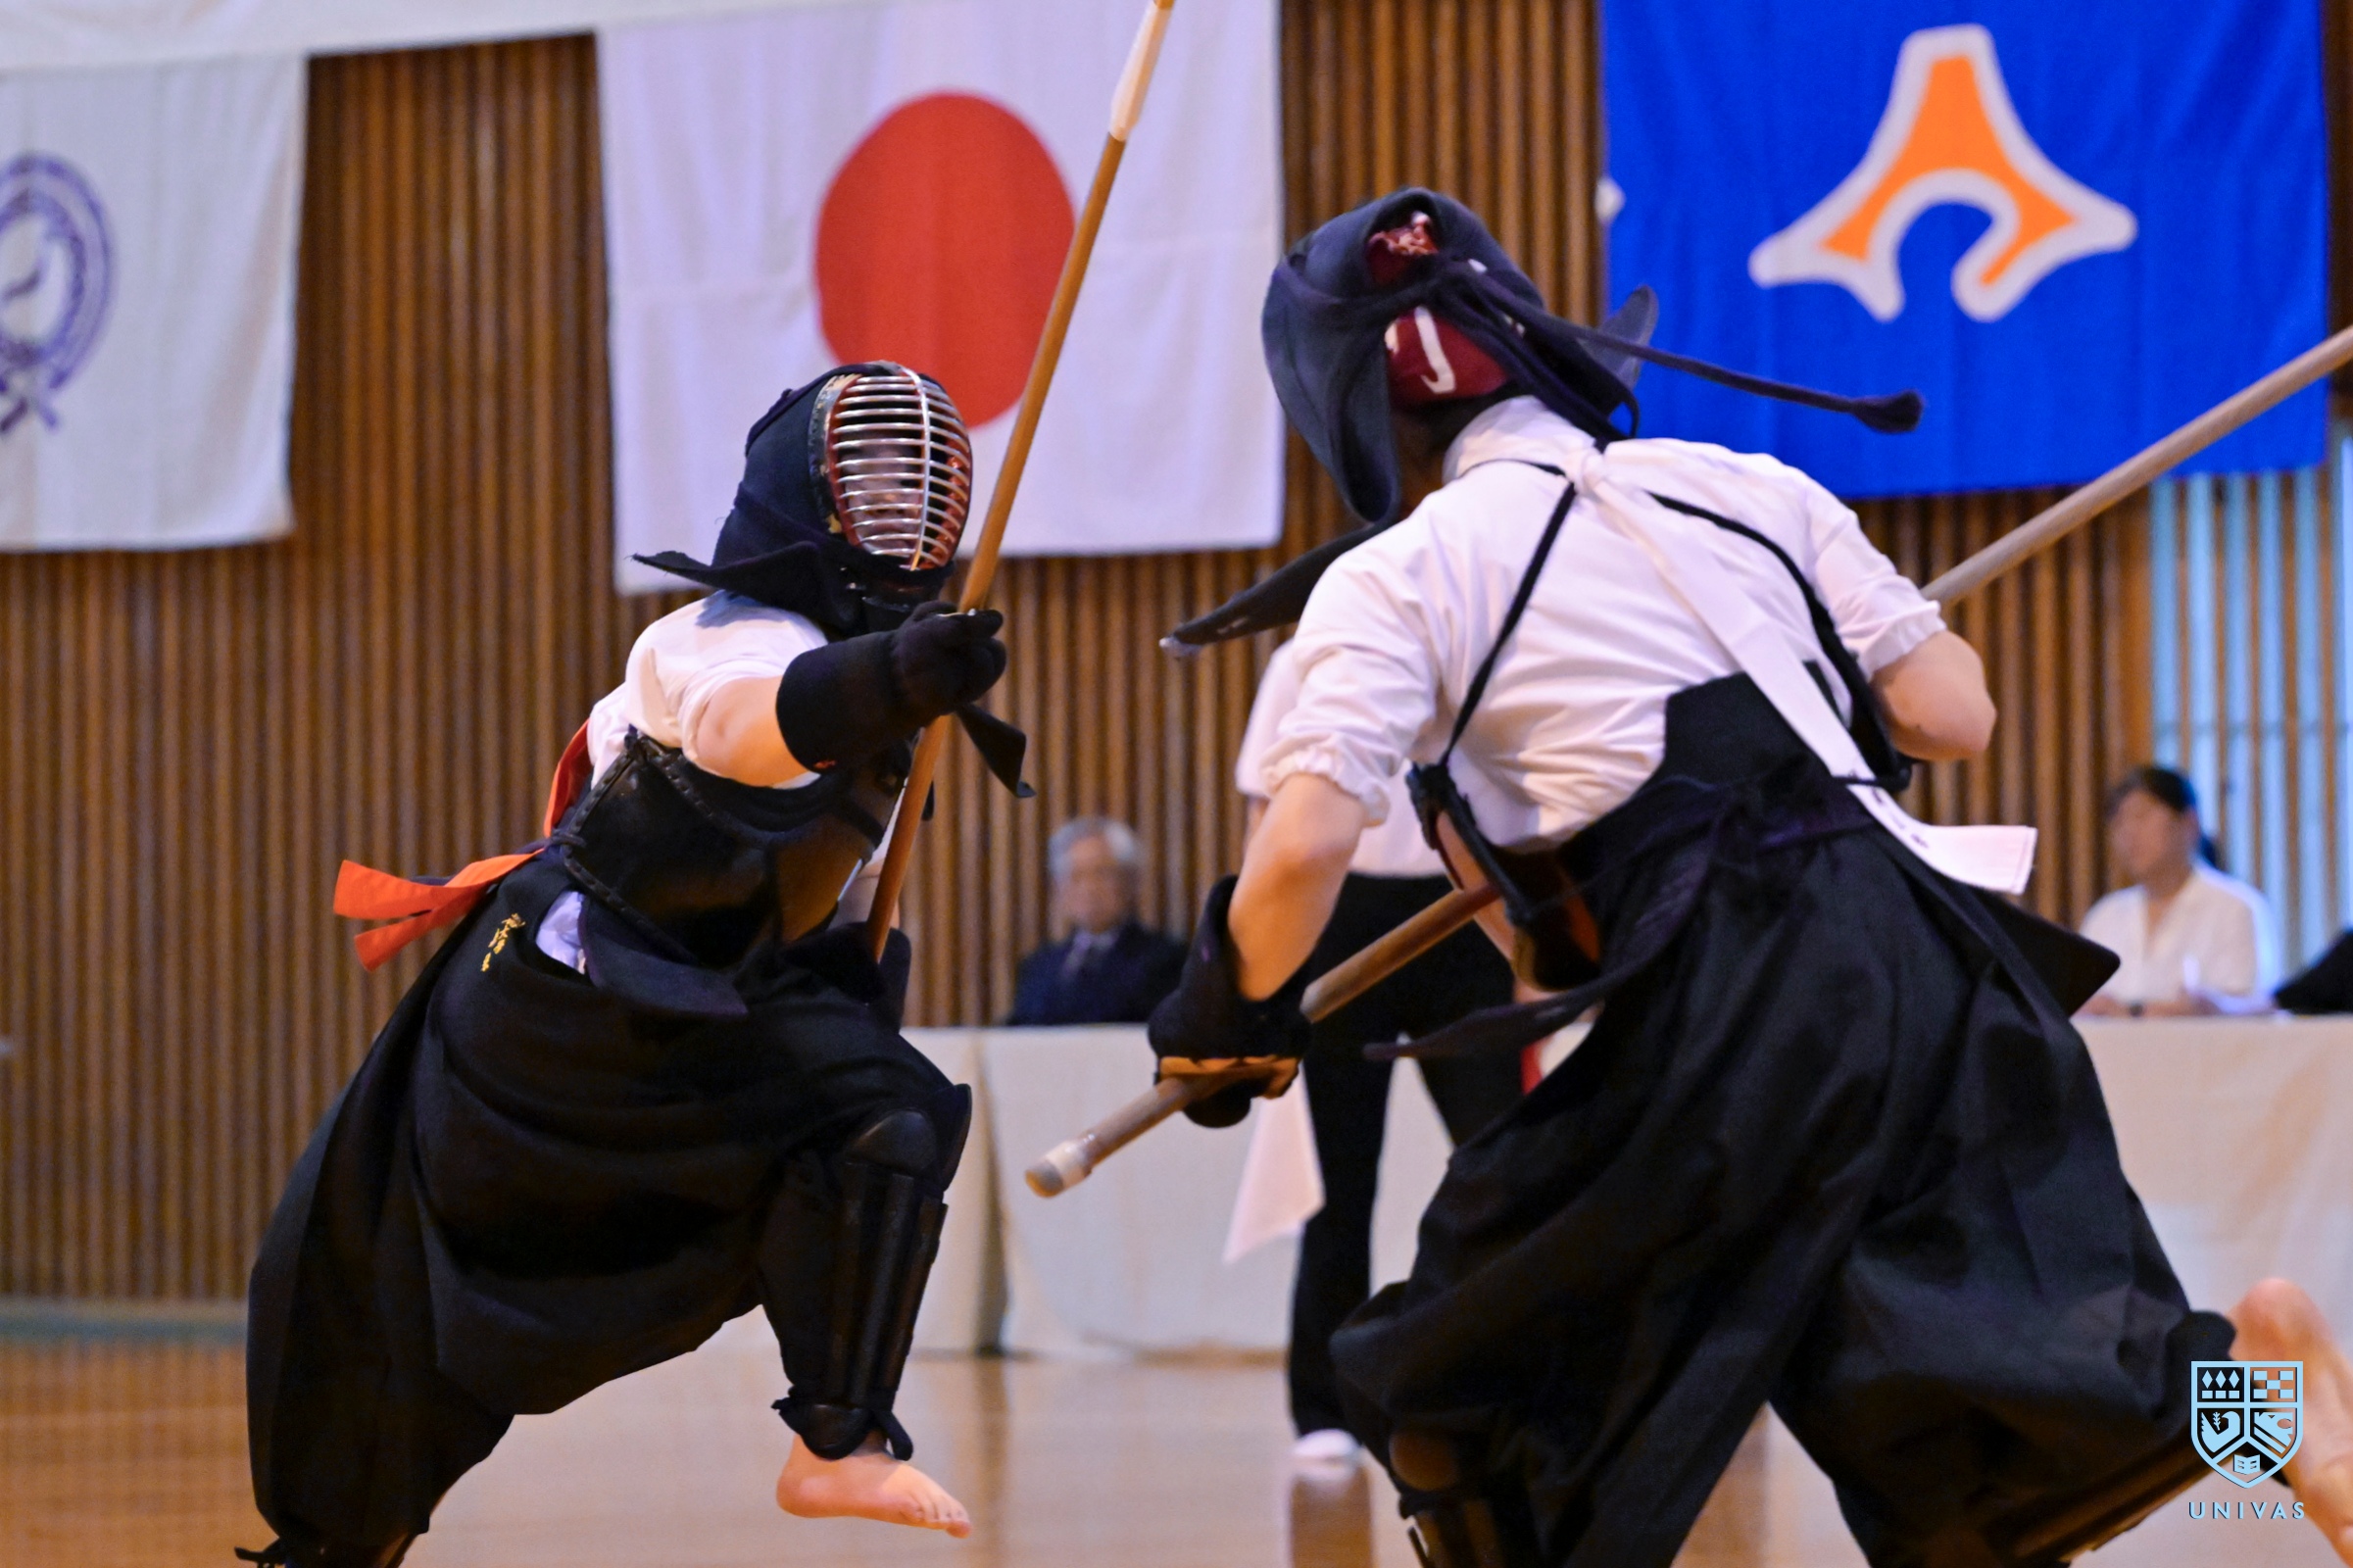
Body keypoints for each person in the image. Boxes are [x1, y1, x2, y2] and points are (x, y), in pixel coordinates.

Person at [1147, 188, 2353, 1568]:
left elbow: (1304, 842)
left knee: (1465, 1393)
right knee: (1972, 1438)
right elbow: (1952, 714)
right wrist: (1842, 652)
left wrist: (1222, 1016)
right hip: (1927, 958)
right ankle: (2262, 1402)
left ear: (1355, 410)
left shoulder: (1402, 575)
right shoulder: (1750, 487)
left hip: (1733, 993)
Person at [242, 363, 1026, 1568]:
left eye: (918, 485)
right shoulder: (724, 637)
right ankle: (833, 1438)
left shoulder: (883, 728)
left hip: (679, 1025)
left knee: (886, 1114)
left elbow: (831, 914)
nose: (900, 502)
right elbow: (741, 731)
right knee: (398, 1316)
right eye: (869, 476)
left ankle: (837, 1435)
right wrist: (887, 681)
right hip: (560, 1009)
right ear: (803, 494)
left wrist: (848, 992)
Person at [1238, 641, 1522, 1471]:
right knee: (1337, 1179)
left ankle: (1507, 1381)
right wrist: (1261, 969)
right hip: (1338, 910)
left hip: (1462, 906)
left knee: (1504, 1162)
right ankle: (1323, 1405)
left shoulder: (1473, 641)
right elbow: (1266, 813)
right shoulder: (1306, 654)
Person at [2079, 765, 2280, 1016]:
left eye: (2141, 816)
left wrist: (2207, 1007)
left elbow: (2255, 1008)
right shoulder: (2105, 915)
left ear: (2188, 823)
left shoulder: (2236, 907)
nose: (2128, 832)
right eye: (2118, 822)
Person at [1006, 817, 1186, 1025]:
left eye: (1102, 874)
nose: (1089, 889)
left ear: (1131, 880)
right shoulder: (1038, 967)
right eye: (1076, 876)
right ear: (1059, 887)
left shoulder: (1166, 961)